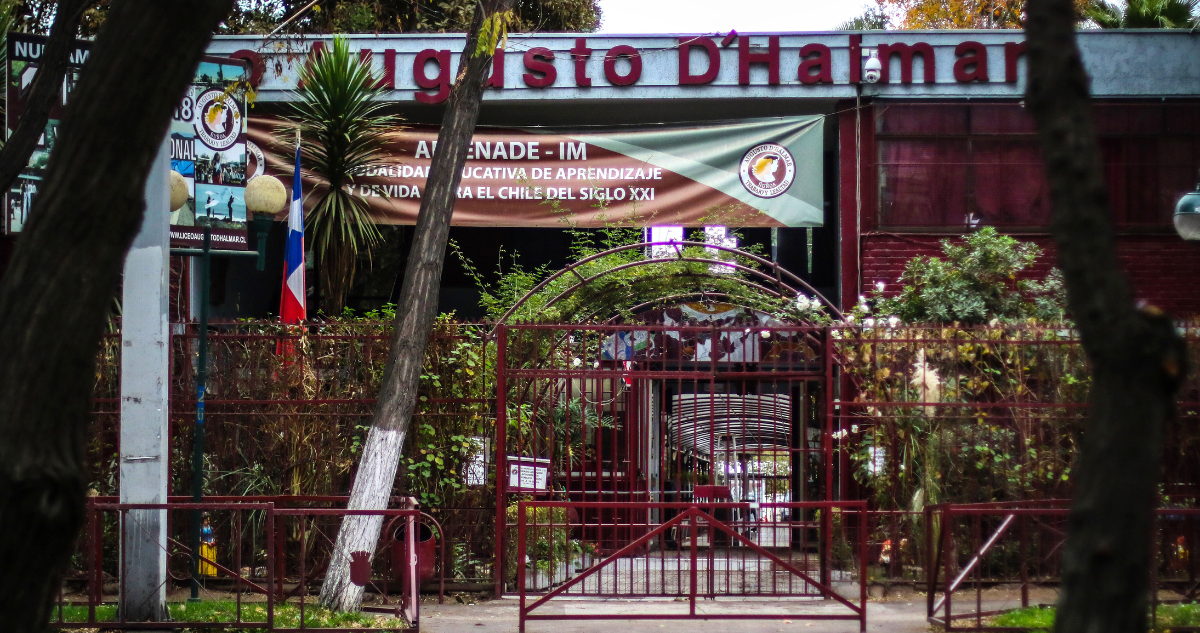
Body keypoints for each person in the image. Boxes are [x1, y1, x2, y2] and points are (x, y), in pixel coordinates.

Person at [199, 513, 217, 578]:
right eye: (206, 520)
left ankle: (212, 575)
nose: (208, 522)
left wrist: (213, 541)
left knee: (212, 561)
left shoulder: (211, 528)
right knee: (204, 561)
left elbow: (213, 536)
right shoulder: (200, 528)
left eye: (209, 520)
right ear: (203, 520)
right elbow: (199, 539)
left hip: (211, 547)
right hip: (203, 547)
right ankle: (203, 575)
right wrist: (207, 543)